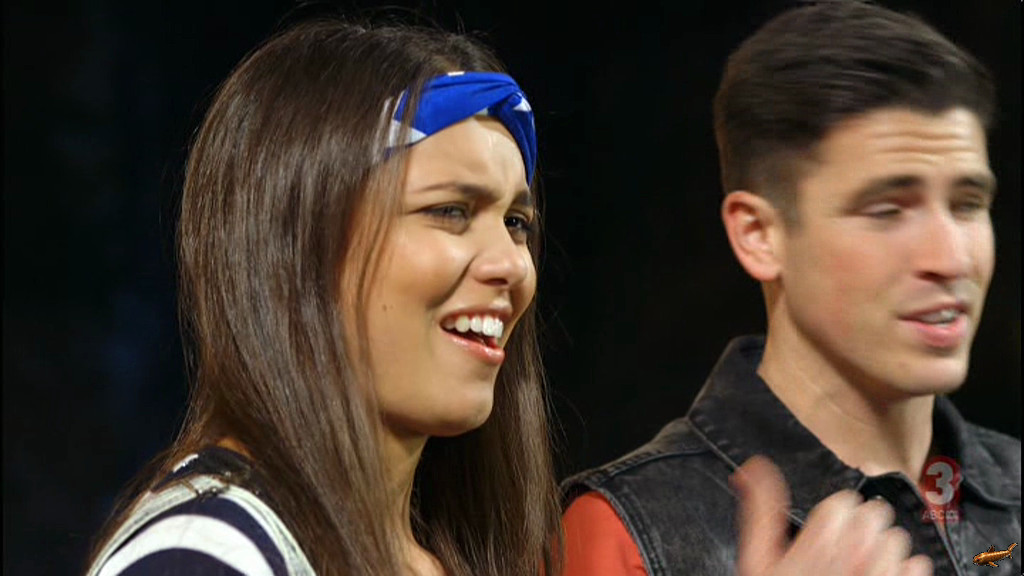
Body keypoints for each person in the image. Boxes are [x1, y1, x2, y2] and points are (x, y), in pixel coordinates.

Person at [85, 17, 561, 576]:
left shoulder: (463, 555)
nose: (512, 264)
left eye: (515, 222)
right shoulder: (202, 557)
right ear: (299, 243)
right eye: (450, 211)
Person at [561, 2, 1020, 575]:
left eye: (968, 204)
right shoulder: (622, 531)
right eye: (886, 210)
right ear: (759, 235)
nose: (950, 259)